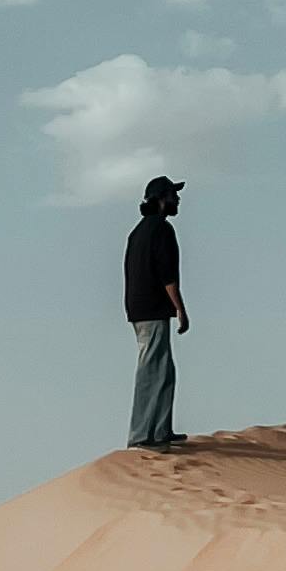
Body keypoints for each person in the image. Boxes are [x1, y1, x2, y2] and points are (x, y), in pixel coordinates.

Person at [124, 174, 188, 450]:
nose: (178, 200)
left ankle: (160, 430)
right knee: (152, 369)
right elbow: (167, 275)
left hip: (139, 308)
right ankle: (143, 435)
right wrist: (180, 309)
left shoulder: (138, 231)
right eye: (173, 195)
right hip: (151, 308)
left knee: (163, 369)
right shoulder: (161, 230)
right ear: (161, 200)